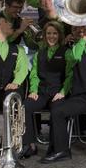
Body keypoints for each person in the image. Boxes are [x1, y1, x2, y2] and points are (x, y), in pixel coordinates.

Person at [41, 26, 86, 163]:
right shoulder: (70, 51)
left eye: (83, 28)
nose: (80, 31)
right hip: (81, 96)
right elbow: (75, 58)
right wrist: (62, 92)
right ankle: (61, 150)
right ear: (72, 33)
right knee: (57, 110)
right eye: (76, 30)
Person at [21, 22, 71, 159]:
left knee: (57, 111)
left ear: (59, 35)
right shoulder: (39, 53)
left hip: (58, 93)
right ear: (44, 35)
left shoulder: (66, 52)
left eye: (54, 33)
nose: (51, 36)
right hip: (42, 92)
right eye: (48, 33)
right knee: (25, 106)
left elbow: (69, 75)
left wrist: (63, 92)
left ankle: (59, 149)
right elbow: (34, 75)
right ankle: (28, 145)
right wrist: (33, 91)